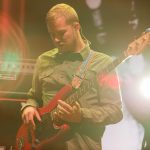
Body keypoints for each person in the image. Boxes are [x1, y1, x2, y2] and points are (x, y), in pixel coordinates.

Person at [21, 3, 123, 150]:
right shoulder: (43, 60)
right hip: (41, 145)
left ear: (77, 27)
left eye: (61, 33)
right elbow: (34, 96)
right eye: (52, 34)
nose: (56, 39)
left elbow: (115, 112)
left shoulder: (103, 63)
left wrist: (81, 115)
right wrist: (29, 107)